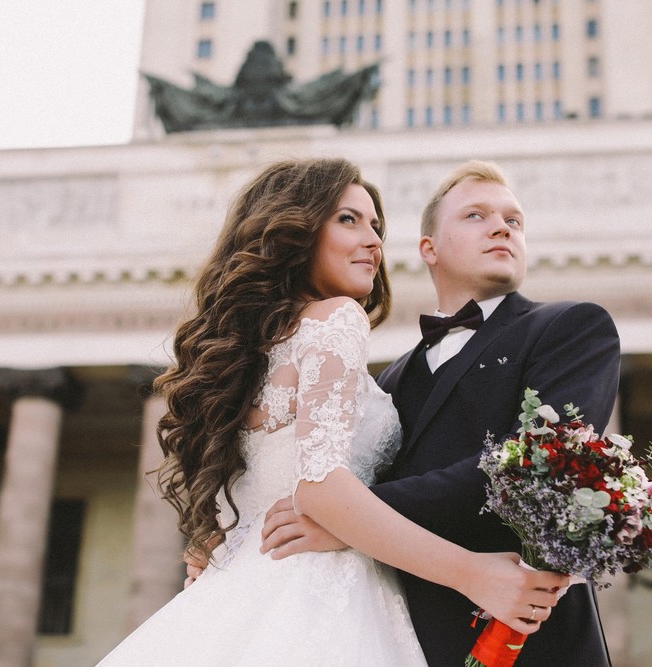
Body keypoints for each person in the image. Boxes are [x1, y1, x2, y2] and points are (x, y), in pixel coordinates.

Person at [96, 158, 568, 666]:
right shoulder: (337, 318)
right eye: (348, 220)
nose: (374, 241)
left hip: (241, 588)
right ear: (295, 230)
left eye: (376, 226)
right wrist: (472, 573)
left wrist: (214, 541)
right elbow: (319, 489)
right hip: (321, 594)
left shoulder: (248, 352)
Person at [257, 160, 621, 666]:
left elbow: (535, 465)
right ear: (428, 248)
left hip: (534, 634)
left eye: (514, 221)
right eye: (475, 215)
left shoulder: (573, 327)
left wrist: (345, 518)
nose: (502, 228)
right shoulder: (388, 380)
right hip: (406, 634)